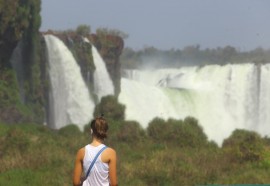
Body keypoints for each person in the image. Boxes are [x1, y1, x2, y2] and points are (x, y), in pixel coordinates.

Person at [73, 116, 118, 186]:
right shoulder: (111, 153)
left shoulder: (81, 152)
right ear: (105, 132)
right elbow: (114, 184)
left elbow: (76, 183)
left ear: (91, 131)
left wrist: (84, 180)